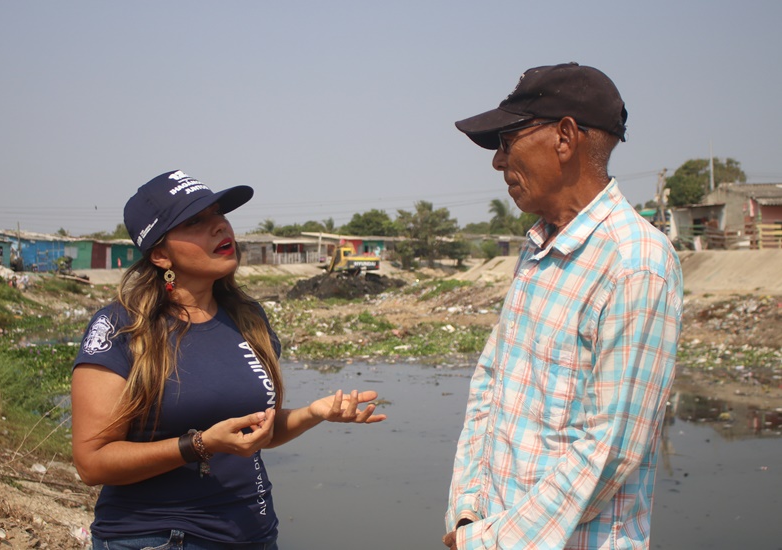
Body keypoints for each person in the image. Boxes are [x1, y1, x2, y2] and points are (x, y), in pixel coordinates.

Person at [71, 169, 387, 550]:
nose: (220, 226)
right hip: (163, 539)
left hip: (254, 535)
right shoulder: (121, 328)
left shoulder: (247, 318)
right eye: (196, 221)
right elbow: (92, 462)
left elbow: (250, 433)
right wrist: (199, 445)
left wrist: (313, 413)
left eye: (219, 213)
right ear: (159, 254)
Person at [443, 63, 683, 549]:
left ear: (565, 137)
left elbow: (610, 450)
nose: (497, 163)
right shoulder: (538, 248)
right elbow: (491, 384)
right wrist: (468, 511)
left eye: (506, 143)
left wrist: (493, 541)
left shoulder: (636, 263)